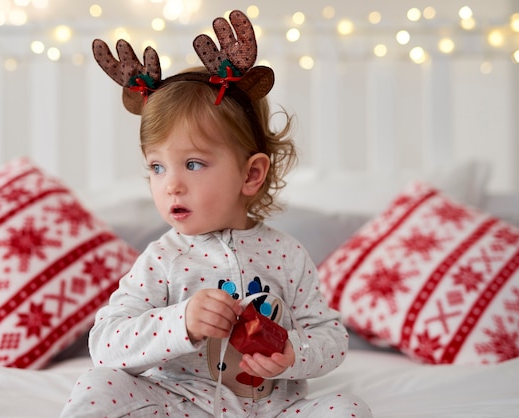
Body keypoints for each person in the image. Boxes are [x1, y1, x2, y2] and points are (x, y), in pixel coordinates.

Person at [61, 10, 372, 418]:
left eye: (193, 164)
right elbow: (106, 343)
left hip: (273, 408)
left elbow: (331, 338)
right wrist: (181, 321)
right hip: (179, 404)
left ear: (251, 173)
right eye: (157, 167)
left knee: (347, 407)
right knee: (98, 385)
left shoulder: (288, 255)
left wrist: (292, 353)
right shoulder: (162, 259)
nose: (171, 184)